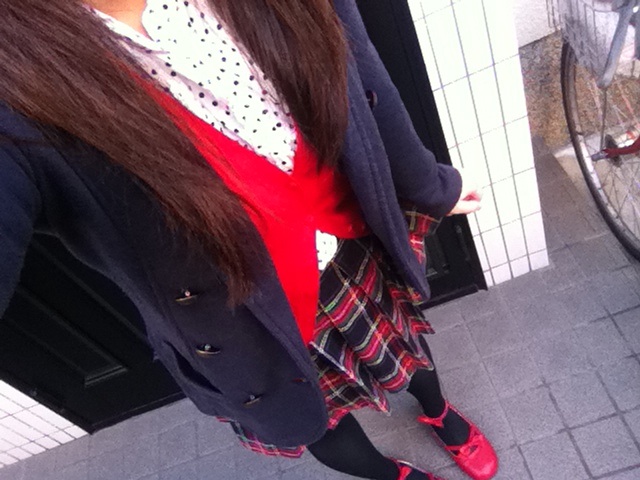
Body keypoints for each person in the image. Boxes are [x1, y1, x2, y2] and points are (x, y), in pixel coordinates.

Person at [0, 1, 496, 479]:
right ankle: (393, 475)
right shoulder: (17, 74)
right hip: (244, 318)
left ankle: (438, 411)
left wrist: (431, 185)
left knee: (408, 353)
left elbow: (359, 66)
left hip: (345, 252)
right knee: (316, 420)